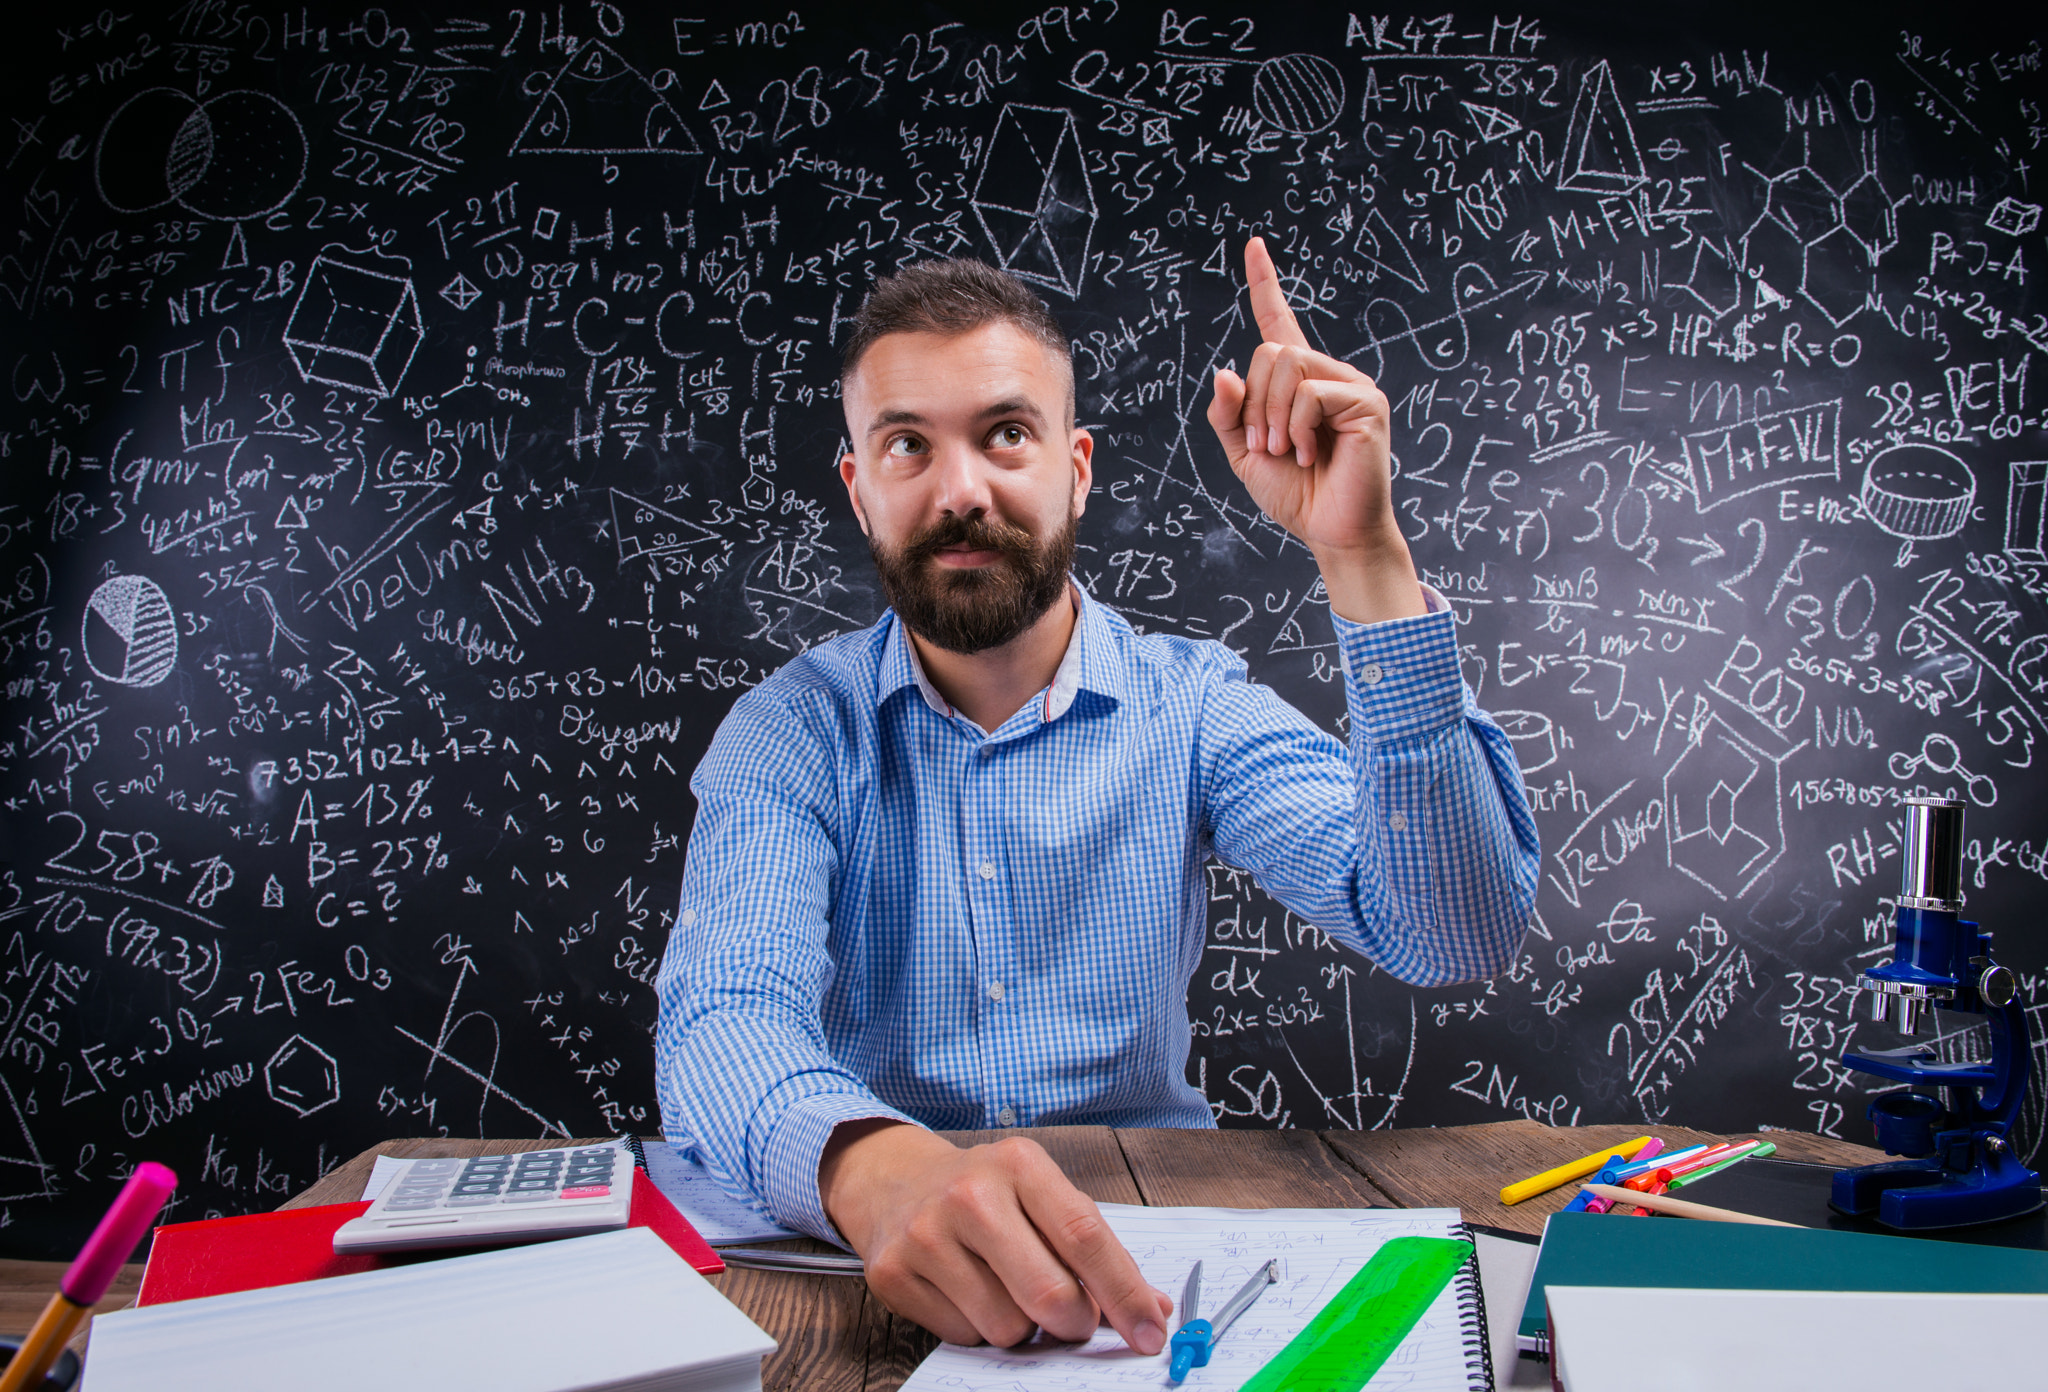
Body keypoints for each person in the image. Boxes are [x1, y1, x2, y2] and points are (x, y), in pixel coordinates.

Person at [655, 238, 1539, 1355]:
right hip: (864, 1284)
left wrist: (1361, 553)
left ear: (1074, 468)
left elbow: (1453, 930)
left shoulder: (1193, 707)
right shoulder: (791, 731)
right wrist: (873, 1170)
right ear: (860, 488)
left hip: (1164, 1278)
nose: (960, 489)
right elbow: (721, 1016)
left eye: (1004, 434)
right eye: (907, 446)